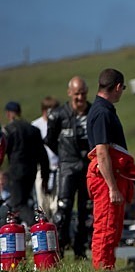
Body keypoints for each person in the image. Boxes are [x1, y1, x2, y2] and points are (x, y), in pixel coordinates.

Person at [86, 68, 135, 270]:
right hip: (106, 180)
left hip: (111, 178)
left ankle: (107, 267)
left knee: (112, 229)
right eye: (122, 88)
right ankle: (102, 271)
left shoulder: (103, 110)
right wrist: (112, 187)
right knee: (106, 228)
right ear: (117, 87)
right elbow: (102, 153)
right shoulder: (101, 113)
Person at [46, 76, 93, 259]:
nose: (80, 98)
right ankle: (61, 247)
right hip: (67, 165)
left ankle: (80, 250)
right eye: (76, 94)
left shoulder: (92, 112)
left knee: (86, 210)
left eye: (83, 93)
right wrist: (63, 154)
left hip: (88, 166)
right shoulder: (58, 114)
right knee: (63, 209)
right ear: (69, 93)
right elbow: (49, 140)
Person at [0, 101, 49, 226]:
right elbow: (43, 155)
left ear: (8, 114)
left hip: (16, 172)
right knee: (22, 202)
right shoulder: (33, 129)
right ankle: (16, 234)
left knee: (18, 205)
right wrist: (45, 176)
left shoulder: (9, 130)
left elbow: (2, 150)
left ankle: (37, 227)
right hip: (32, 171)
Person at [32, 96, 60, 217]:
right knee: (42, 203)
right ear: (45, 110)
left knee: (56, 204)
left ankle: (56, 227)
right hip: (41, 170)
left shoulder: (59, 124)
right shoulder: (35, 126)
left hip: (57, 167)